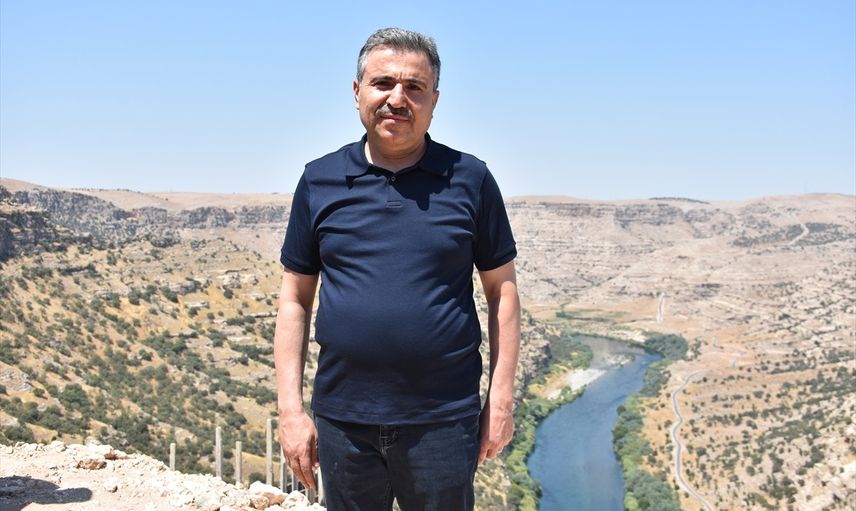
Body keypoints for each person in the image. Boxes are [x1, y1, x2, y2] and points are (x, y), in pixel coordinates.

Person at [273, 27, 520, 511]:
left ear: (435, 100)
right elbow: (294, 299)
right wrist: (290, 411)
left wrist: (501, 399)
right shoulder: (319, 180)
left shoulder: (471, 179)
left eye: (414, 87)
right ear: (357, 92)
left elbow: (503, 292)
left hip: (443, 421)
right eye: (383, 83)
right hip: (344, 420)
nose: (397, 99)